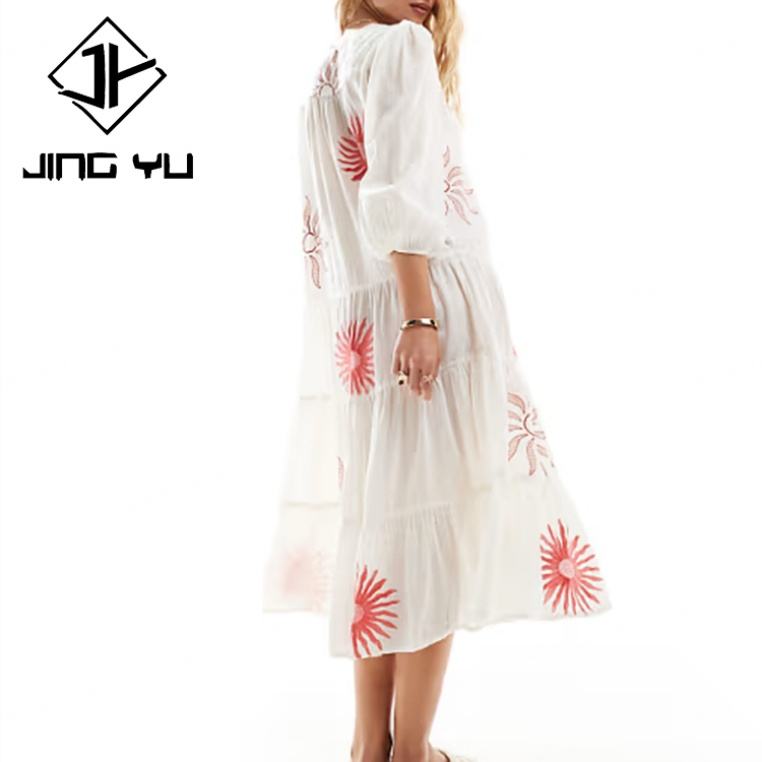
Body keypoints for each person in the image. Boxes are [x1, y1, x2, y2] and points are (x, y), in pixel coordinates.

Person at [263, 2, 612, 760]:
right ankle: (413, 750)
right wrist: (421, 317)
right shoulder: (400, 48)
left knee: (388, 531)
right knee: (437, 535)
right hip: (424, 314)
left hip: (366, 332)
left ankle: (371, 746)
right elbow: (396, 195)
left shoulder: (330, 70)